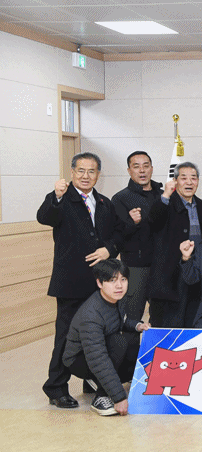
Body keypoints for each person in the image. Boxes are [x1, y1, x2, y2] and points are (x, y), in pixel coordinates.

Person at [37, 152, 122, 409]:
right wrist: (56, 195)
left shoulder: (104, 202)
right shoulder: (62, 199)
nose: (86, 176)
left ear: (98, 175)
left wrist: (109, 249)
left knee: (101, 334)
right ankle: (56, 388)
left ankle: (92, 381)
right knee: (65, 336)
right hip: (70, 282)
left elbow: (119, 233)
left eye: (91, 171)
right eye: (81, 171)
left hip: (99, 283)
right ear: (72, 172)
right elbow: (45, 217)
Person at [62, 260, 149, 416]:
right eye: (112, 280)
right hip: (80, 359)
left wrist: (138, 326)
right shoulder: (91, 314)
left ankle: (96, 381)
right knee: (119, 342)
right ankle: (101, 396)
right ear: (99, 283)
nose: (119, 285)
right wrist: (119, 397)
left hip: (102, 348)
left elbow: (118, 320)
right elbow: (97, 358)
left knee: (134, 359)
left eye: (123, 279)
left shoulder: (116, 299)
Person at [147, 162, 202, 329]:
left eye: (193, 178)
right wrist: (166, 195)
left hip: (193, 273)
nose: (189, 182)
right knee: (167, 326)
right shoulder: (166, 202)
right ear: (175, 181)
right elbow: (153, 221)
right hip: (168, 276)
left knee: (190, 323)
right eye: (184, 178)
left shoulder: (200, 205)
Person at [112, 150, 163, 322]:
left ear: (151, 169)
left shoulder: (163, 195)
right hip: (135, 268)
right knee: (131, 319)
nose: (142, 170)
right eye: (136, 166)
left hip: (162, 267)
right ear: (129, 171)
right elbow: (116, 235)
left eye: (146, 166)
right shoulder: (120, 198)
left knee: (161, 318)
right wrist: (131, 222)